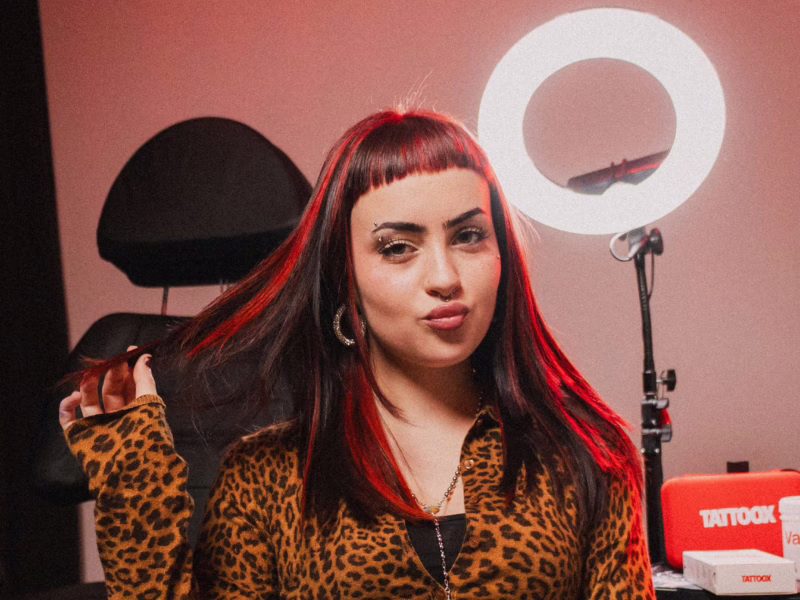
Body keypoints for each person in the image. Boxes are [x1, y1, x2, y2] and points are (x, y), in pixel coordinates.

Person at [59, 109, 655, 599]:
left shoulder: (587, 456)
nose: (444, 277)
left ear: (503, 256)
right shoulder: (264, 479)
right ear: (345, 279)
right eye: (398, 248)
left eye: (469, 236)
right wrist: (133, 490)